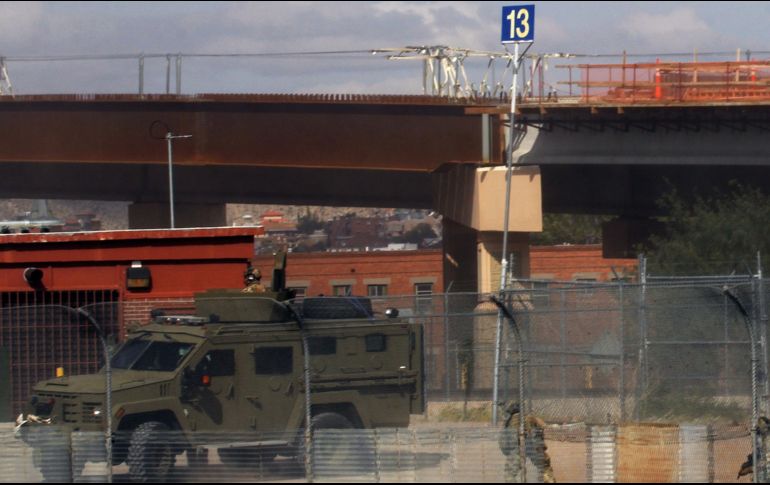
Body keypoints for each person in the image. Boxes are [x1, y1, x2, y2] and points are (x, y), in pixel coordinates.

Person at [498, 401, 555, 483]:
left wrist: (509, 451)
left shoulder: (509, 422)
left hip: (518, 449)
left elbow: (504, 442)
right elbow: (543, 427)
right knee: (545, 469)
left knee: (510, 474)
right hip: (535, 447)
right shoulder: (532, 418)